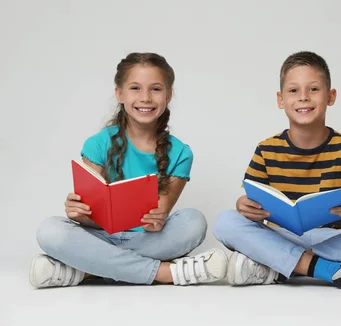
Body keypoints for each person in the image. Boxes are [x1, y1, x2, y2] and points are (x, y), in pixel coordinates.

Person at [30, 52, 227, 288]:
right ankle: (166, 273)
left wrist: (158, 218)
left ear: (168, 95)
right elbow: (91, 217)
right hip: (100, 235)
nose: (145, 98)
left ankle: (85, 271)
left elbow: (160, 214)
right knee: (50, 230)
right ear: (119, 93)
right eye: (135, 88)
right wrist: (79, 212)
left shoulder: (181, 153)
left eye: (155, 89)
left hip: (147, 238)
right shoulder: (97, 144)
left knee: (194, 222)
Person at [213, 51, 341, 290]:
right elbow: (251, 205)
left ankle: (279, 267)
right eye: (294, 91)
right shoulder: (266, 149)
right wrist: (244, 206)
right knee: (226, 221)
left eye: (313, 89)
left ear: (330, 96)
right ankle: (328, 270)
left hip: (334, 239)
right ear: (281, 100)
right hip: (281, 236)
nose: (303, 97)